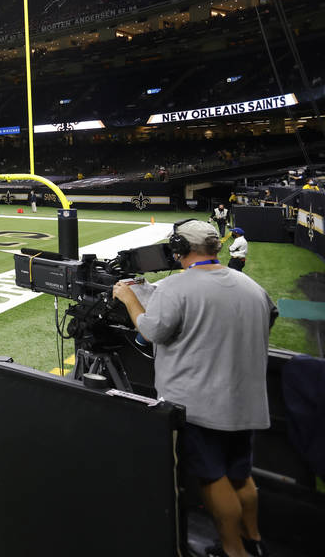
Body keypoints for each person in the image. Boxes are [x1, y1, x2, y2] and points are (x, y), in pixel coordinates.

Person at [112, 220, 275, 557]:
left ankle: (234, 552)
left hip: (201, 407)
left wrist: (130, 298)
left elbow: (152, 332)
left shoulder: (177, 288)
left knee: (213, 479)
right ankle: (253, 542)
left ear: (180, 249)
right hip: (247, 401)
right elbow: (267, 316)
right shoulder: (250, 284)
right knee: (241, 475)